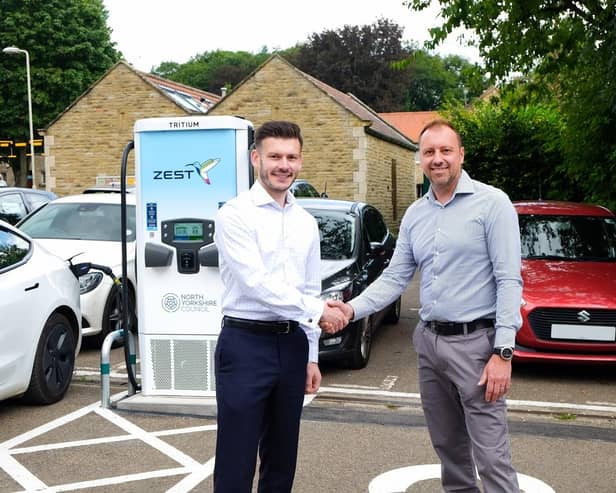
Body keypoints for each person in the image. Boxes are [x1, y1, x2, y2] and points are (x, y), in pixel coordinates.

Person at [330, 119, 523, 492]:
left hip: (477, 347)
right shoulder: (416, 214)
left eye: (445, 151)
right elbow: (394, 278)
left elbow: (509, 280)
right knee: (449, 449)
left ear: (461, 155)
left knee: (492, 458)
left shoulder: (493, 204)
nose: (438, 159)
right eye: (429, 152)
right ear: (420, 159)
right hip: (429, 345)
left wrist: (504, 351)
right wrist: (351, 310)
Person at [213, 120, 347, 493]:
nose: (283, 165)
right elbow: (255, 283)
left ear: (301, 161)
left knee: (282, 457)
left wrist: (312, 356)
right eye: (274, 156)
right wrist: (318, 310)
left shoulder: (306, 222)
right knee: (236, 459)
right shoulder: (234, 214)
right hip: (245, 345)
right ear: (257, 158)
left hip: (291, 347)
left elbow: (308, 286)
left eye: (291, 157)